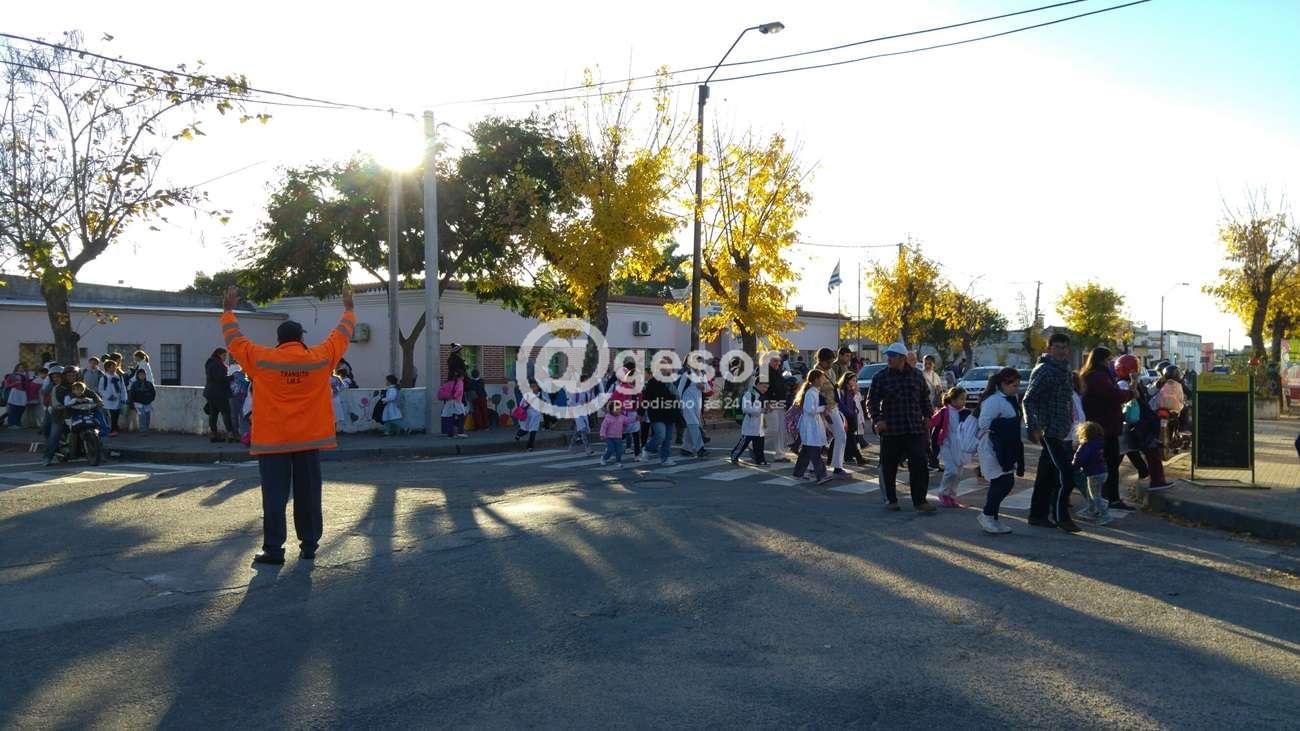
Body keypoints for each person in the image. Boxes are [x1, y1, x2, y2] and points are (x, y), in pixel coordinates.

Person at [222, 285, 355, 565]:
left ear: (278, 340)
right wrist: (349, 310)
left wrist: (228, 311)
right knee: (309, 494)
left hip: (273, 442)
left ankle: (274, 549)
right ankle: (309, 544)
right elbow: (341, 336)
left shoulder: (262, 359)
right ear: (301, 338)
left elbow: (235, 341)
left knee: (274, 496)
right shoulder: (320, 358)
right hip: (309, 440)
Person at [867, 342, 937, 514]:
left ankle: (920, 501)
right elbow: (872, 401)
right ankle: (891, 499)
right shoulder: (880, 377)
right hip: (891, 429)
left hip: (914, 428)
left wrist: (928, 416)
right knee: (889, 466)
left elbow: (925, 398)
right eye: (888, 356)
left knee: (919, 464)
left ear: (902, 358)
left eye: (892, 356)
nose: (889, 359)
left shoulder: (916, 375)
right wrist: (877, 420)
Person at [1023, 332, 1082, 532]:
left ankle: (1037, 515)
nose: (1061, 351)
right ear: (1049, 349)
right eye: (1057, 347)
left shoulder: (1065, 370)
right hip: (1049, 430)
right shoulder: (1044, 370)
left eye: (1064, 347)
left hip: (1062, 430)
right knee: (1066, 474)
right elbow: (1028, 400)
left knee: (1046, 475)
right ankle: (1061, 517)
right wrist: (1032, 426)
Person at [1081, 347, 1141, 511]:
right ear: (1102, 360)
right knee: (1109, 465)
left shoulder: (1096, 375)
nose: (1111, 363)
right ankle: (1109, 499)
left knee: (1106, 464)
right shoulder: (1098, 376)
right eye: (1109, 360)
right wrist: (1130, 393)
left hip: (1104, 426)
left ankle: (1106, 497)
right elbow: (1114, 395)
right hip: (1104, 427)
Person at [976, 367, 1024, 534]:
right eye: (1014, 385)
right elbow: (984, 423)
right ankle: (987, 515)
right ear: (1003, 384)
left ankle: (993, 518)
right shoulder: (994, 401)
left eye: (1018, 385)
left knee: (1005, 480)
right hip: (994, 446)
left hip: (1007, 446)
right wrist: (1006, 423)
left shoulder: (1011, 398)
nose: (1017, 389)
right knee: (1002, 482)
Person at [931, 387, 972, 508]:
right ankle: (943, 493)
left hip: (960, 445)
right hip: (947, 444)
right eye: (961, 399)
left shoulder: (965, 412)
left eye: (965, 399)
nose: (964, 402)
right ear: (953, 400)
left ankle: (952, 495)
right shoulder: (945, 411)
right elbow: (932, 422)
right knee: (951, 470)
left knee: (958, 472)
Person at [792, 370, 833, 485]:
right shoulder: (811, 393)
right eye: (822, 378)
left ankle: (798, 473)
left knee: (806, 451)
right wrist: (823, 408)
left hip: (813, 424)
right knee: (814, 451)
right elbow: (809, 410)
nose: (824, 380)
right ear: (816, 380)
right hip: (810, 426)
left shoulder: (814, 391)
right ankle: (821, 475)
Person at [1071, 421, 1112, 525]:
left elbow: (1079, 459)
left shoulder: (1086, 446)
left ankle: (1104, 514)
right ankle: (1091, 509)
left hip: (1093, 474)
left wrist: (1073, 466)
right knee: (1091, 493)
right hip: (1103, 471)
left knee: (1095, 495)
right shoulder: (1100, 444)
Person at [815, 348, 848, 475]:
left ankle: (837, 465)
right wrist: (823, 411)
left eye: (831, 362)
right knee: (819, 439)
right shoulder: (816, 373)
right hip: (824, 409)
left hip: (833, 407)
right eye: (828, 362)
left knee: (840, 435)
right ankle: (813, 466)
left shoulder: (830, 371)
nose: (830, 365)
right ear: (821, 360)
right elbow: (815, 392)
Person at [643, 368, 678, 466]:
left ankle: (665, 458)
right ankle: (648, 448)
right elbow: (646, 399)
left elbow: (676, 397)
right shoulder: (652, 382)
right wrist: (641, 413)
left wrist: (677, 410)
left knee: (667, 438)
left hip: (669, 413)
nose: (669, 370)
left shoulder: (670, 383)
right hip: (656, 414)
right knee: (660, 434)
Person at [731, 379, 768, 465]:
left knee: (759, 444)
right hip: (750, 424)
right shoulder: (749, 394)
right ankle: (734, 455)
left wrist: (764, 418)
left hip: (759, 424)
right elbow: (745, 409)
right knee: (744, 443)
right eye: (764, 387)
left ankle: (760, 460)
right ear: (758, 384)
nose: (765, 389)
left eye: (767, 387)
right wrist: (760, 410)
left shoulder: (761, 395)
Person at [204, 347, 236, 443]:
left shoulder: (210, 363)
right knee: (226, 413)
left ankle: (213, 434)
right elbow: (219, 378)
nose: (225, 357)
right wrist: (232, 377)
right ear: (219, 355)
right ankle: (230, 434)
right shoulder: (217, 364)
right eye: (224, 355)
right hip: (219, 393)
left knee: (213, 414)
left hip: (211, 393)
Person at [763, 355, 791, 462]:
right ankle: (753, 442)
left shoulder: (778, 372)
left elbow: (782, 388)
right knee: (773, 429)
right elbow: (761, 390)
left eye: (778, 361)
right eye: (775, 361)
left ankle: (780, 455)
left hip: (781, 404)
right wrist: (766, 403)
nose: (778, 363)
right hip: (770, 404)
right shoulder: (764, 372)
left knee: (781, 430)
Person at [838, 372, 866, 467]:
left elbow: (852, 402)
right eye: (853, 380)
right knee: (851, 437)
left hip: (852, 415)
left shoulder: (850, 390)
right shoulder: (842, 390)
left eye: (855, 380)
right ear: (847, 380)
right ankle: (858, 457)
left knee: (849, 437)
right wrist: (850, 413)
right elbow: (841, 405)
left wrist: (854, 410)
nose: (855, 382)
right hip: (846, 416)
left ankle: (848, 456)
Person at [677, 368, 704, 458]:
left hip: (697, 405)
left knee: (691, 426)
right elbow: (679, 390)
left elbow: (707, 388)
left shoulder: (701, 374)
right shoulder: (687, 374)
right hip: (687, 404)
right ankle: (700, 448)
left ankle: (686, 449)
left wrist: (702, 387)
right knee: (694, 424)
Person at [99, 359, 127, 437]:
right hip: (108, 401)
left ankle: (115, 428)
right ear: (107, 368)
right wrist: (108, 396)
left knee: (116, 415)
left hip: (118, 400)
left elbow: (123, 388)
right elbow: (100, 390)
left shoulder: (119, 377)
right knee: (111, 416)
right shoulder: (104, 378)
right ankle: (112, 430)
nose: (114, 368)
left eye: (115, 367)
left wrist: (124, 398)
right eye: (112, 367)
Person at [514, 380, 544, 451]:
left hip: (536, 416)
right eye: (531, 387)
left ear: (538, 387)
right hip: (527, 415)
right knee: (525, 429)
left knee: (533, 431)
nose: (533, 388)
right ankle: (518, 434)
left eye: (534, 386)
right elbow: (521, 405)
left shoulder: (541, 395)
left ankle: (530, 446)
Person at [599, 401, 628, 467]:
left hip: (618, 437)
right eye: (617, 409)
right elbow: (603, 427)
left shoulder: (622, 417)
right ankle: (604, 458)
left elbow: (628, 420)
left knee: (619, 450)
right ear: (611, 410)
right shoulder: (608, 418)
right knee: (610, 449)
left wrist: (635, 419)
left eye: (619, 409)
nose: (619, 411)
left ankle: (618, 461)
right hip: (609, 437)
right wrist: (602, 434)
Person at [128, 368, 157, 434]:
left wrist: (150, 399)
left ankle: (146, 429)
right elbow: (131, 394)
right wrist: (131, 403)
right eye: (140, 374)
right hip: (138, 403)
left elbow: (153, 393)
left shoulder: (149, 384)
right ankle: (142, 430)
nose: (142, 376)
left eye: (143, 374)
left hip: (147, 403)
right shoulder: (134, 384)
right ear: (138, 375)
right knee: (142, 416)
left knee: (147, 416)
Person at [3, 364, 30, 429]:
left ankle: (18, 423)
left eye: (22, 367)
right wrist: (15, 384)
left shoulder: (25, 376)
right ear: (16, 368)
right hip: (15, 392)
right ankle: (11, 424)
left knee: (21, 408)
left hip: (23, 393)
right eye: (19, 367)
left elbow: (28, 385)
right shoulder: (12, 375)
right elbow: (6, 386)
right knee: (13, 408)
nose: (21, 369)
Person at [228, 363, 250, 439]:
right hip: (237, 396)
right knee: (239, 415)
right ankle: (239, 433)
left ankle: (238, 433)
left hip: (237, 396)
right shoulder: (238, 374)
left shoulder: (237, 374)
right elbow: (246, 383)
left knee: (236, 415)